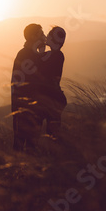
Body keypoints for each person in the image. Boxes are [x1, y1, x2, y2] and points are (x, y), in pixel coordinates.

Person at [11, 23, 46, 152]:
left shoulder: (27, 53)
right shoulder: (27, 55)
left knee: (26, 143)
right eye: (41, 34)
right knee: (25, 144)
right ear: (33, 36)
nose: (44, 36)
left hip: (26, 107)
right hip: (26, 108)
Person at [39, 26, 67, 139]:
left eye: (49, 35)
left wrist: (41, 50)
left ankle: (54, 153)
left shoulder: (57, 55)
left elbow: (41, 69)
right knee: (52, 132)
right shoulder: (53, 54)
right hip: (52, 98)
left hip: (53, 99)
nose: (47, 37)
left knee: (52, 133)